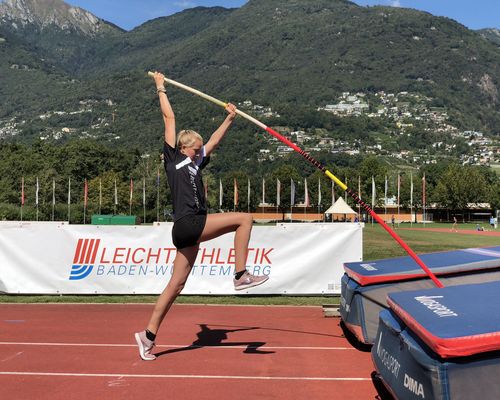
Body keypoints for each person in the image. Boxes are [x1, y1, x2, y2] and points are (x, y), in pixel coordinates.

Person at [134, 71, 269, 361]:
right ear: (184, 147)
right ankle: (241, 274)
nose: (199, 151)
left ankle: (148, 336)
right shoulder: (174, 160)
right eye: (196, 148)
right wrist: (160, 87)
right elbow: (169, 120)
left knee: (176, 285)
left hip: (187, 230)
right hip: (188, 223)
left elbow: (214, 143)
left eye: (199, 149)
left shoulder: (195, 164)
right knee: (244, 219)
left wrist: (230, 119)